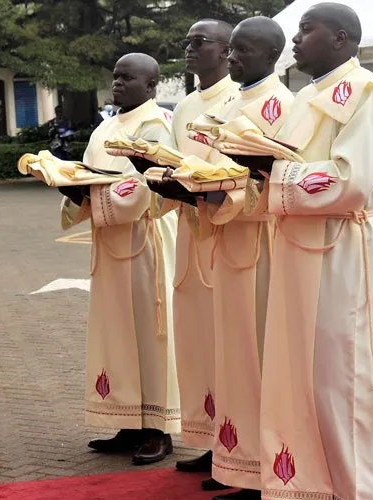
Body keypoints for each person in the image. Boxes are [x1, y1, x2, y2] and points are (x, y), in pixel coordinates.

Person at [237, 4, 373, 499]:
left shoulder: (367, 94)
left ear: (340, 38)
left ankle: (359, 490)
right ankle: (312, 485)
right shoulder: (305, 98)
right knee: (299, 377)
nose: (295, 39)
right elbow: (285, 166)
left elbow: (351, 180)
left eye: (306, 30)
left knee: (343, 380)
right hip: (297, 250)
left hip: (341, 250)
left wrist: (274, 171)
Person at [58, 53, 180, 465]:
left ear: (151, 86)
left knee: (149, 333)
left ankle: (158, 429)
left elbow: (148, 186)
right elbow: (89, 174)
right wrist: (71, 186)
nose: (118, 83)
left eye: (128, 77)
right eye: (115, 77)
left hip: (145, 240)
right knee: (116, 332)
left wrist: (91, 195)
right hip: (111, 243)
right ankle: (127, 420)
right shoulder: (105, 127)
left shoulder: (157, 125)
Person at [193, 16, 293, 500]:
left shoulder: (281, 106)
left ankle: (260, 469)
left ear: (271, 56)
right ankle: (232, 458)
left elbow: (278, 178)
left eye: (242, 50)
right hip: (226, 241)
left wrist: (219, 192)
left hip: (260, 246)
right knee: (229, 355)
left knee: (256, 357)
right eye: (230, 48)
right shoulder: (233, 102)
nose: (231, 57)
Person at [163, 19, 239, 486]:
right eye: (186, 42)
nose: (189, 49)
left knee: (226, 346)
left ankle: (235, 448)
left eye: (199, 42)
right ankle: (212, 443)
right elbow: (173, 161)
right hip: (189, 232)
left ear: (227, 50)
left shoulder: (238, 99)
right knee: (196, 344)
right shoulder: (186, 106)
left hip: (226, 232)